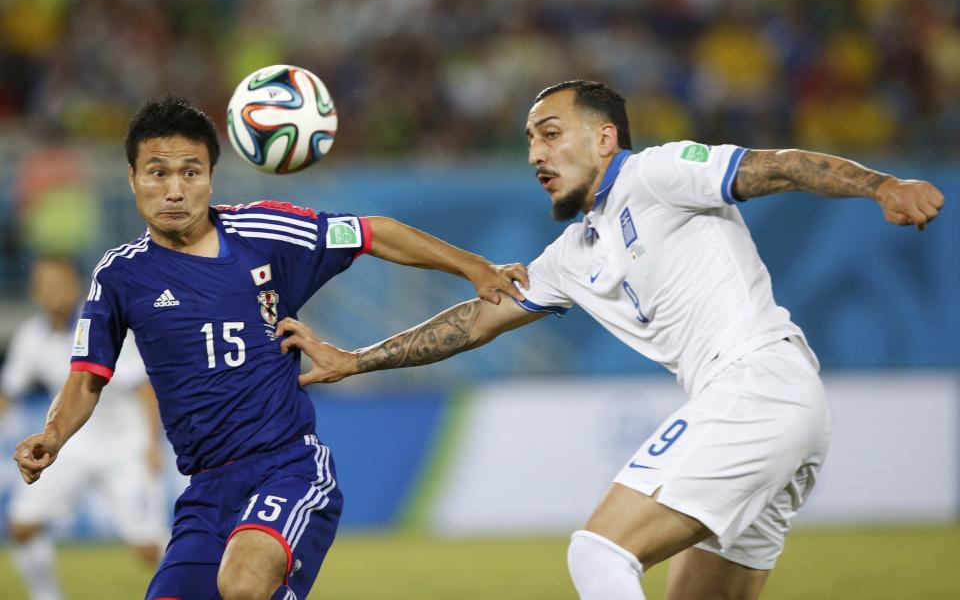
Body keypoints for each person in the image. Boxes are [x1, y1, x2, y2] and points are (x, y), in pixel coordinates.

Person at [274, 80, 945, 600]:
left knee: (597, 552)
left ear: (604, 139)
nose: (535, 152)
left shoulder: (656, 173)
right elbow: (476, 320)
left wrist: (882, 185)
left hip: (755, 385)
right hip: (774, 404)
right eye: (529, 140)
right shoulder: (573, 252)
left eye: (550, 132)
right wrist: (357, 359)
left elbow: (778, 165)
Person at [12, 95, 528, 600]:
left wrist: (473, 267)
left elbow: (376, 233)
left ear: (211, 179)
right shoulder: (119, 276)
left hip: (288, 467)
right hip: (205, 490)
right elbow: (86, 377)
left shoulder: (263, 232)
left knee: (242, 584)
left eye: (190, 173)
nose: (174, 189)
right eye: (157, 172)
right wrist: (54, 434)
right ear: (131, 178)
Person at [2, 256, 169, 600]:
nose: (53, 292)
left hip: (125, 447)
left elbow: (143, 387)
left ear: (76, 285)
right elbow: (9, 393)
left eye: (59, 283)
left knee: (149, 548)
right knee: (20, 527)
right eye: (45, 285)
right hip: (71, 447)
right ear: (35, 291)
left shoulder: (105, 325)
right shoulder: (31, 337)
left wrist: (153, 445)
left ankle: (202, 588)